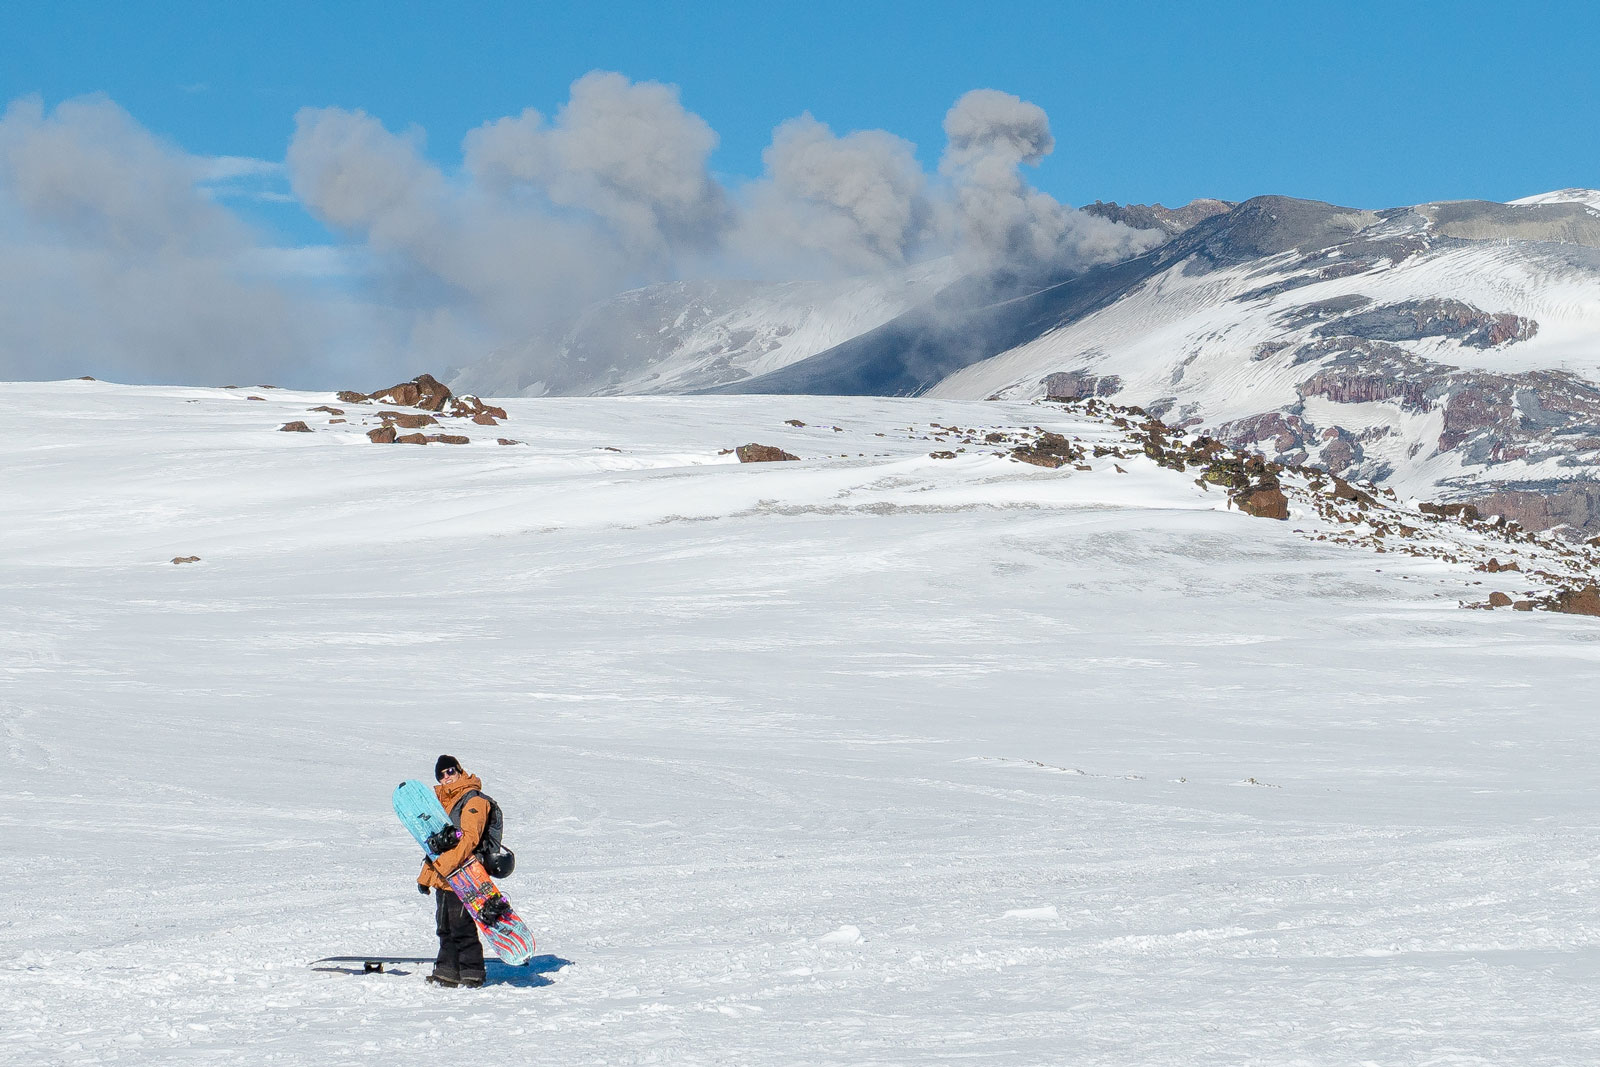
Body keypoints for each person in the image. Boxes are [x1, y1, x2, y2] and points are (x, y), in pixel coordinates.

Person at [418, 754, 490, 988]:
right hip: (444, 876)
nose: (446, 777)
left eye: (450, 771)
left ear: (459, 771)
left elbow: (470, 838)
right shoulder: (440, 803)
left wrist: (446, 866)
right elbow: (434, 845)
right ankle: (447, 970)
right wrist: (426, 877)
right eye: (441, 774)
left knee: (462, 925)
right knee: (444, 926)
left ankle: (472, 971)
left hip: (466, 874)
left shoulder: (473, 800)